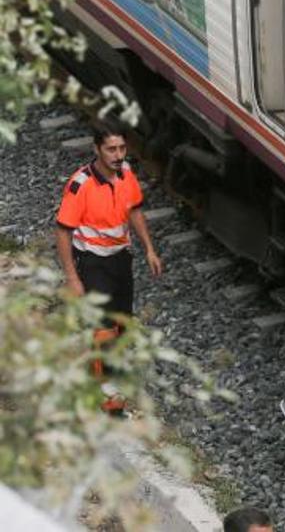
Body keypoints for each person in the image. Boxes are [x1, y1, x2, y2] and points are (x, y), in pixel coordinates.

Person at [54, 119, 162, 413]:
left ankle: (106, 381)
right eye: (111, 149)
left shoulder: (126, 174)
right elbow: (63, 231)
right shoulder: (81, 185)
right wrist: (73, 279)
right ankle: (108, 402)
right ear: (97, 150)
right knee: (102, 330)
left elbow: (135, 211)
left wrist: (149, 249)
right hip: (92, 263)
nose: (118, 155)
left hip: (119, 260)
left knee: (120, 325)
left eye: (122, 148)